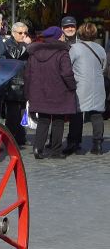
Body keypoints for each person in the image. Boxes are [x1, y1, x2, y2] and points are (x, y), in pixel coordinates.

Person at [25, 25, 77, 159]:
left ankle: (37, 148)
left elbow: (28, 74)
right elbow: (67, 73)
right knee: (58, 121)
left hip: (40, 92)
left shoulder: (34, 52)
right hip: (59, 92)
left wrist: (28, 93)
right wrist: (72, 86)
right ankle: (56, 151)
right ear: (59, 37)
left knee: (43, 120)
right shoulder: (62, 52)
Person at [64, 20, 106, 156]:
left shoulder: (75, 48)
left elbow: (68, 66)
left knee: (77, 113)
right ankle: (98, 144)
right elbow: (104, 67)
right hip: (98, 85)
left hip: (81, 84)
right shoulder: (101, 49)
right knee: (97, 114)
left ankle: (74, 142)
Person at [1, 20, 31, 147]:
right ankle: (10, 138)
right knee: (12, 115)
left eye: (25, 32)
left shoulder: (22, 44)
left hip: (23, 83)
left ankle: (20, 137)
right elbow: (15, 54)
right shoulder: (8, 43)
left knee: (22, 113)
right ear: (13, 33)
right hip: (13, 84)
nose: (23, 35)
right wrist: (25, 44)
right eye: (20, 33)